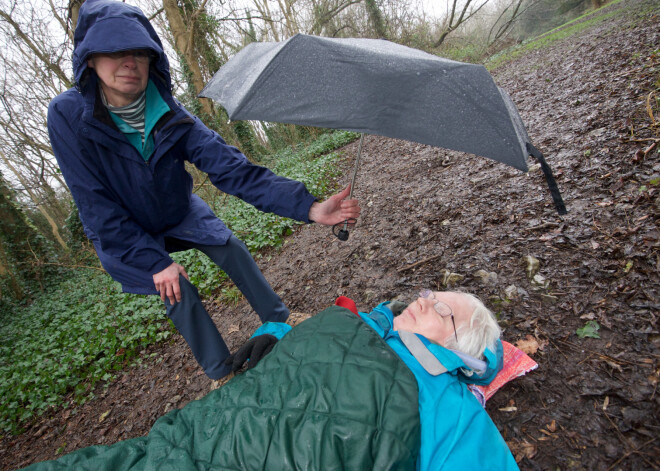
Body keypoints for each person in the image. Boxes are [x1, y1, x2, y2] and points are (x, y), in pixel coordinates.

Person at [47, 0, 360, 381]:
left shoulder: (169, 113)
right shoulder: (67, 116)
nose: (129, 62)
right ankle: (222, 372)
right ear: (91, 60)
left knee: (229, 247)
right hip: (123, 229)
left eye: (140, 53)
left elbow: (235, 170)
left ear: (153, 61)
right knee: (174, 286)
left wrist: (310, 207)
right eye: (115, 52)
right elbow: (94, 204)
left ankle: (279, 321)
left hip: (175, 208)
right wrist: (154, 262)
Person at [229, 290, 518, 469]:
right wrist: (275, 336)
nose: (424, 301)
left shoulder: (452, 411)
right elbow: (317, 333)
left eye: (442, 311)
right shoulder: (370, 323)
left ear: (459, 349)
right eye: (431, 295)